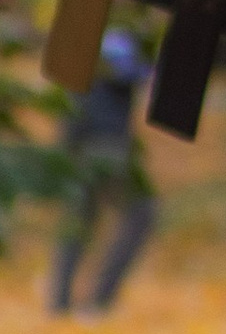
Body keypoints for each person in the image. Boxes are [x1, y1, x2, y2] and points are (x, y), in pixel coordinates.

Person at [47, 26, 156, 313]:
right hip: (107, 151)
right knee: (141, 213)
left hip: (78, 150)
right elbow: (132, 74)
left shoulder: (84, 44)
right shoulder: (114, 43)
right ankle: (97, 300)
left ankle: (60, 303)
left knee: (79, 222)